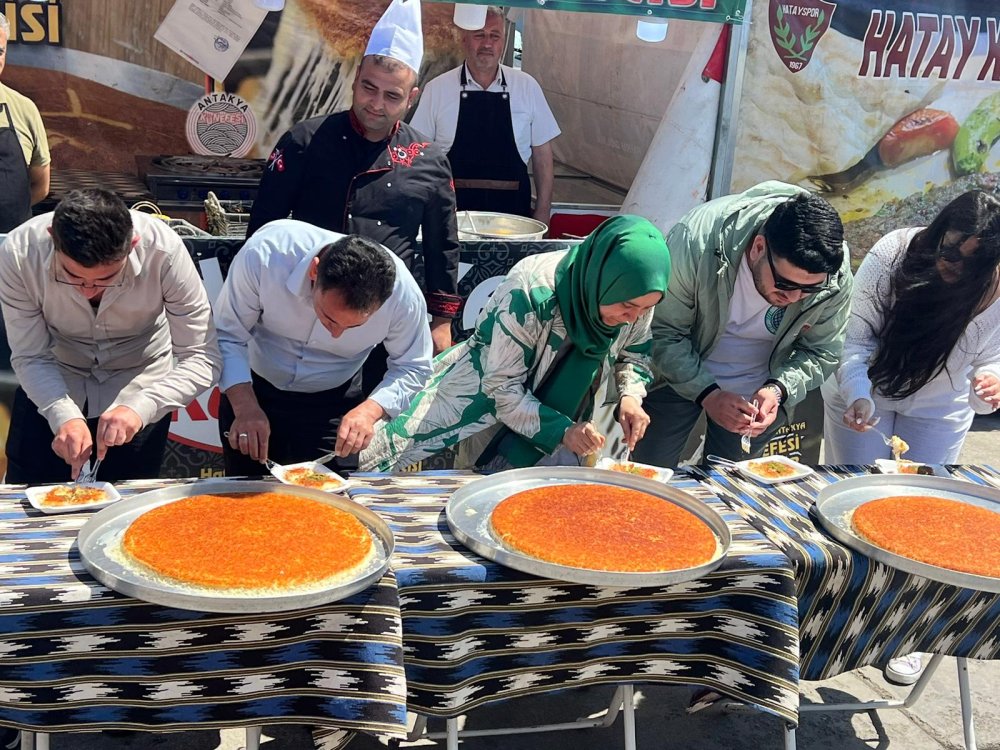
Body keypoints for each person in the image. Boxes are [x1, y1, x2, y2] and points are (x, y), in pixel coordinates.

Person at [821, 190, 1000, 685]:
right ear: (937, 233)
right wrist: (859, 394)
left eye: (973, 262)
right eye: (949, 252)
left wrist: (993, 380)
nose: (955, 268)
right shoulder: (892, 253)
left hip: (940, 408)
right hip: (866, 393)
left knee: (926, 514)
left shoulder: (995, 284)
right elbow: (854, 340)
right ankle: (842, 615)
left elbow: (990, 359)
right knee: (854, 507)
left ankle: (908, 633)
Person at [360, 214, 669, 472]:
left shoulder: (638, 296)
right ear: (603, 278)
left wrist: (630, 397)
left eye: (645, 309)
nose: (633, 318)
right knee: (488, 496)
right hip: (494, 413)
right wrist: (561, 430)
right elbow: (501, 390)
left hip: (570, 409)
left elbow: (635, 352)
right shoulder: (531, 292)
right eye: (627, 307)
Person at [246, 0, 460, 356]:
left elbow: (442, 246)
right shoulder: (304, 141)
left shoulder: (429, 160)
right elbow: (263, 229)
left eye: (392, 95)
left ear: (412, 98)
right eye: (368, 88)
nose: (376, 103)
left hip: (386, 317)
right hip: (307, 306)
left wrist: (441, 321)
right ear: (355, 79)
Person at [0, 189, 221, 484]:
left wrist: (141, 407)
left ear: (133, 245)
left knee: (127, 512)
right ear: (53, 237)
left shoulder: (164, 251)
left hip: (140, 384)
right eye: (72, 277)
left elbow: (202, 355)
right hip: (52, 382)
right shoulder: (19, 253)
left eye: (106, 279)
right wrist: (63, 414)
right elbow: (30, 355)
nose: (89, 290)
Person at [633, 182, 853, 468]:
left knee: (730, 487)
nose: (793, 298)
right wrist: (709, 395)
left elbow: (822, 352)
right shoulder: (697, 240)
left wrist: (779, 389)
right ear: (758, 247)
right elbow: (663, 332)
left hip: (758, 390)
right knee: (650, 474)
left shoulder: (834, 271)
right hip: (679, 371)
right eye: (785, 284)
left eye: (809, 291)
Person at [214, 220, 433, 475]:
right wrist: (245, 407)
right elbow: (227, 335)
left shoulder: (403, 297)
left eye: (353, 327)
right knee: (243, 498)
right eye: (328, 317)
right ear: (314, 272)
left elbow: (413, 366)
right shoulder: (266, 255)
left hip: (334, 400)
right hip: (253, 388)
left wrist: (370, 411)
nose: (336, 334)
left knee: (333, 502)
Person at [411, 6, 560, 222]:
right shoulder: (438, 89)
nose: (487, 43)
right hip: (451, 217)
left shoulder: (527, 87)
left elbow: (543, 156)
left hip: (514, 218)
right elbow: (418, 155)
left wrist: (543, 210)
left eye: (494, 35)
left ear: (504, 41)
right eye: (479, 35)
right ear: (464, 39)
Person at [0, 13, 50, 233]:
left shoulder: (24, 108)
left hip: (10, 245)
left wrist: (11, 211)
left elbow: (41, 185)